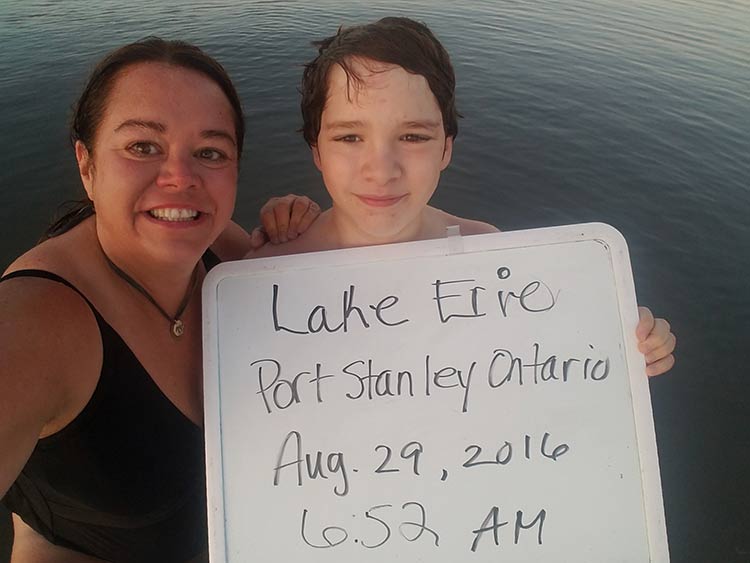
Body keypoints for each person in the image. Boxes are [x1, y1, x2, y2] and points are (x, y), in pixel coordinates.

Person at [0, 39, 317, 562]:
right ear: (87, 164)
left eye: (210, 152)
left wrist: (302, 233)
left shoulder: (220, 249)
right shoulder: (37, 321)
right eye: (143, 147)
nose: (180, 178)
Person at [248, 16, 676, 376]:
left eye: (413, 136)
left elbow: (541, 364)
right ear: (316, 150)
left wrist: (621, 345)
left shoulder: (489, 253)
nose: (380, 169)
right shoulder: (261, 276)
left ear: (446, 148)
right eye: (349, 136)